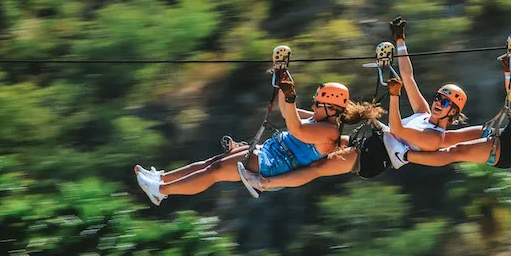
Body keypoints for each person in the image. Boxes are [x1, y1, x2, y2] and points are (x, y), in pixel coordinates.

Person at [237, 17, 475, 192]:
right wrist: (400, 41)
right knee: (321, 132)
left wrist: (393, 96)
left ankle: (265, 183)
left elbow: (399, 130)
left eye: (444, 102)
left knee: (317, 168)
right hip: (373, 141)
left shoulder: (435, 137)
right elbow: (409, 78)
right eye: (438, 97)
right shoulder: (423, 114)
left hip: (374, 157)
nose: (437, 102)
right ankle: (259, 147)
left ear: (453, 112)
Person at [134, 79, 381, 205]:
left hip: (274, 164)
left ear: (331, 109)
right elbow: (287, 112)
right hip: (271, 152)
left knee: (216, 171)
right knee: (214, 162)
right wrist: (284, 82)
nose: (313, 106)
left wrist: (292, 98)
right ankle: (162, 179)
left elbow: (294, 126)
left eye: (317, 104)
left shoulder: (328, 131)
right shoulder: (320, 120)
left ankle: (160, 191)